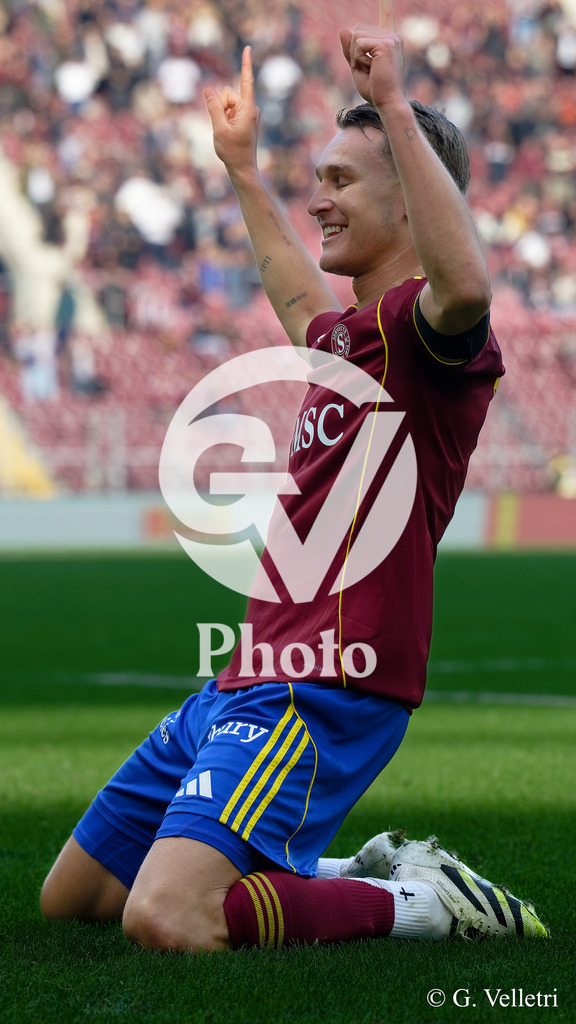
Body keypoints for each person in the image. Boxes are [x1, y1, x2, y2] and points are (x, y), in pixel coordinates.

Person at [40, 22, 548, 950]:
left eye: (342, 182)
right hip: (245, 682)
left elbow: (467, 283)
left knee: (168, 916)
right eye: (316, 180)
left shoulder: (433, 338)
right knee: (74, 900)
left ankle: (426, 906)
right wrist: (240, 167)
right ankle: (343, 867)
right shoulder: (350, 337)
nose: (319, 200)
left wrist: (396, 104)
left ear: (411, 200)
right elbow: (292, 293)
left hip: (324, 688)